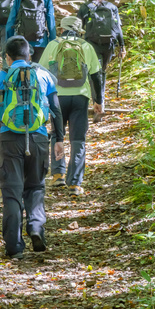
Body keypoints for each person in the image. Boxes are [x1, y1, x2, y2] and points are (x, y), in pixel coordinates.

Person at [0, 36, 65, 259]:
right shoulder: (43, 76)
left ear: (7, 58)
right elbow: (56, 110)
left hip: (10, 139)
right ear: (29, 55)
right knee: (36, 186)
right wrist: (59, 139)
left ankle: (14, 246)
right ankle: (36, 228)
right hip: (38, 138)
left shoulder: (0, 77)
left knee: (11, 192)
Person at [41, 16, 101, 195]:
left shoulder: (53, 45)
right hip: (80, 98)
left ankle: (58, 174)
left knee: (56, 134)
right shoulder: (86, 46)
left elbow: (42, 70)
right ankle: (75, 183)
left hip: (57, 97)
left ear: (61, 29)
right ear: (79, 30)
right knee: (78, 139)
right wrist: (99, 101)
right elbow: (96, 75)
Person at [77, 0, 125, 123]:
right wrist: (122, 46)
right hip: (109, 44)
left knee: (94, 74)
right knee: (101, 72)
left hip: (92, 44)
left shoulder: (85, 8)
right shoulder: (112, 7)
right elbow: (118, 29)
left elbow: (77, 28)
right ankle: (100, 103)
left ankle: (97, 103)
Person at [5, 0, 57, 64]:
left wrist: (9, 41)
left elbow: (11, 21)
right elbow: (51, 23)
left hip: (21, 42)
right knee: (38, 68)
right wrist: (52, 42)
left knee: (22, 70)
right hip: (40, 41)